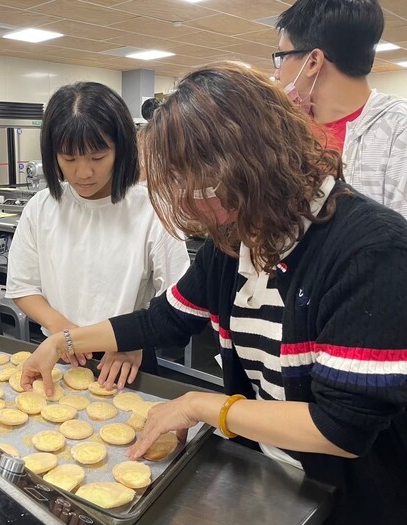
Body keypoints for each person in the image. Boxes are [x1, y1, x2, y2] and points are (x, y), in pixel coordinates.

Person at [20, 64, 407, 525]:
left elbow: (341, 427)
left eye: (199, 185)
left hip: (349, 496)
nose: (187, 203)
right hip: (268, 472)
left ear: (259, 160)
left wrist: (203, 405)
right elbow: (166, 318)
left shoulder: (371, 251)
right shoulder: (237, 236)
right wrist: (64, 342)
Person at [6, 81, 190, 380]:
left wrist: (135, 338)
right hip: (59, 358)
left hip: (126, 361)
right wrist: (60, 328)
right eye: (69, 159)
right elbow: (22, 286)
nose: (84, 172)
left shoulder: (152, 209)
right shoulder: (41, 208)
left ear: (121, 149)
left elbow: (178, 297)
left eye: (97, 157)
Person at [274, 0, 407, 217]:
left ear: (313, 61)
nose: (277, 73)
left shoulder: (397, 132)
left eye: (282, 57)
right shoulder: (288, 131)